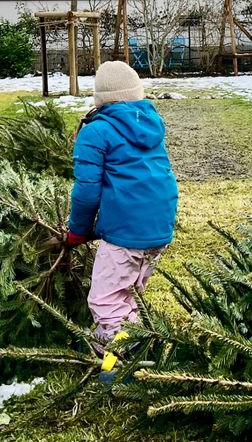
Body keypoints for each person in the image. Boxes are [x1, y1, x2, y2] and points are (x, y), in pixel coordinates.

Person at [64, 60, 178, 366]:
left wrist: (77, 231)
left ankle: (125, 357)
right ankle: (109, 341)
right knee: (127, 292)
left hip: (126, 231)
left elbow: (87, 191)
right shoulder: (150, 124)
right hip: (159, 224)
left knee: (104, 298)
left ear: (100, 98)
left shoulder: (96, 131)